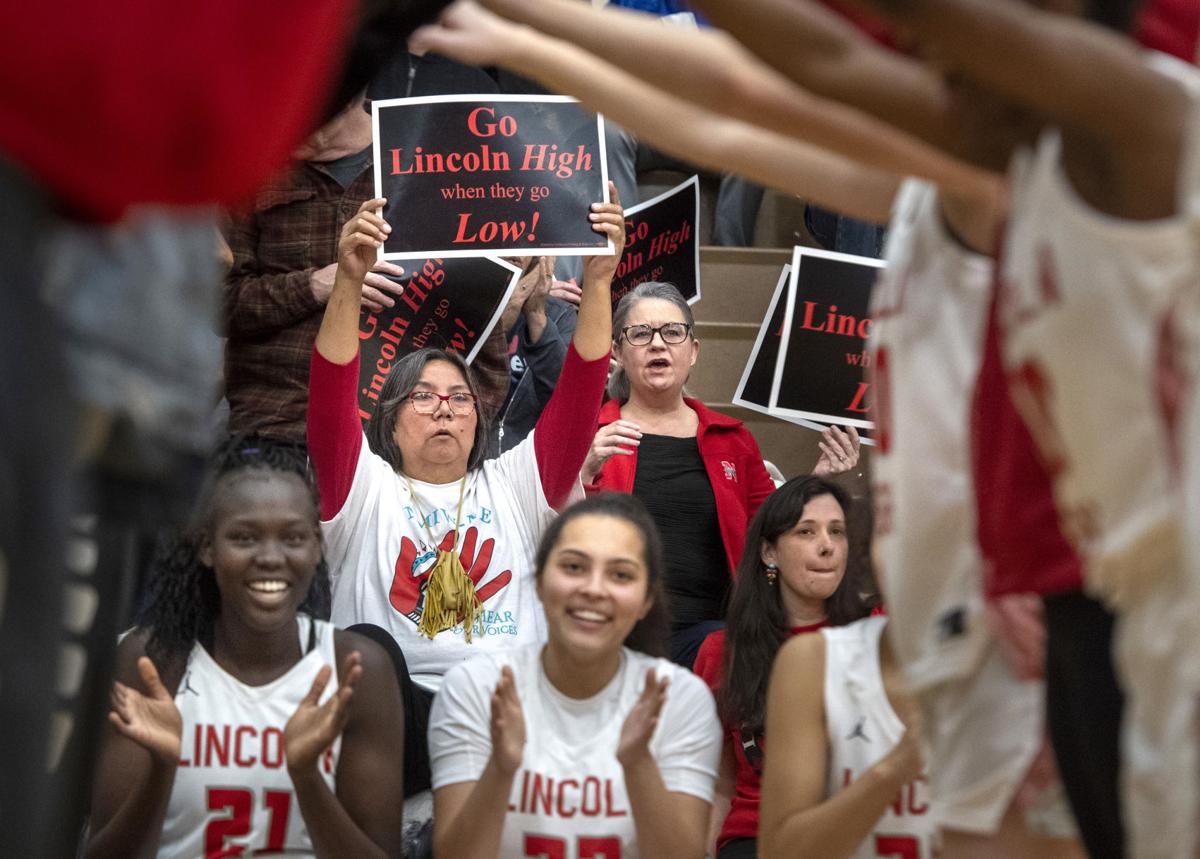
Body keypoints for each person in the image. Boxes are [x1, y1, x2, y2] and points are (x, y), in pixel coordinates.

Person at [306, 187, 624, 791]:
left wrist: (601, 282)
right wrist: (349, 280)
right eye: (423, 397)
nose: (445, 410)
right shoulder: (363, 489)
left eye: (459, 398)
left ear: (480, 417)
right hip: (390, 721)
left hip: (502, 716)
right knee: (370, 645)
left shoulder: (517, 483)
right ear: (389, 419)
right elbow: (330, 397)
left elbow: (581, 395)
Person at [84, 440, 406, 858]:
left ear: (316, 547)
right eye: (244, 537)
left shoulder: (357, 671)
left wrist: (307, 778)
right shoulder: (154, 663)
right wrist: (162, 770)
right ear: (207, 548)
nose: (270, 558)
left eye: (292, 538)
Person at [578, 281, 858, 667]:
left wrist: (819, 480)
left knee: (730, 650)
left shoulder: (733, 439)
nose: (658, 344)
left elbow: (773, 529)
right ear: (618, 352)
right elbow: (552, 525)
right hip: (611, 625)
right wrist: (584, 472)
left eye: (673, 332)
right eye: (640, 334)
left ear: (693, 351)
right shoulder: (590, 434)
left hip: (711, 632)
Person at [427, 493, 723, 858]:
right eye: (573, 567)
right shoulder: (476, 688)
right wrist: (501, 771)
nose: (593, 589)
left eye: (620, 575)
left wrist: (638, 765)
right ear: (538, 581)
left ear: (647, 599)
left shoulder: (679, 699)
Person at [692, 475, 893, 858]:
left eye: (837, 532)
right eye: (806, 532)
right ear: (770, 553)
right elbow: (720, 782)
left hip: (860, 831)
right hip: (758, 838)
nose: (827, 547)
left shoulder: (878, 632)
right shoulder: (722, 651)